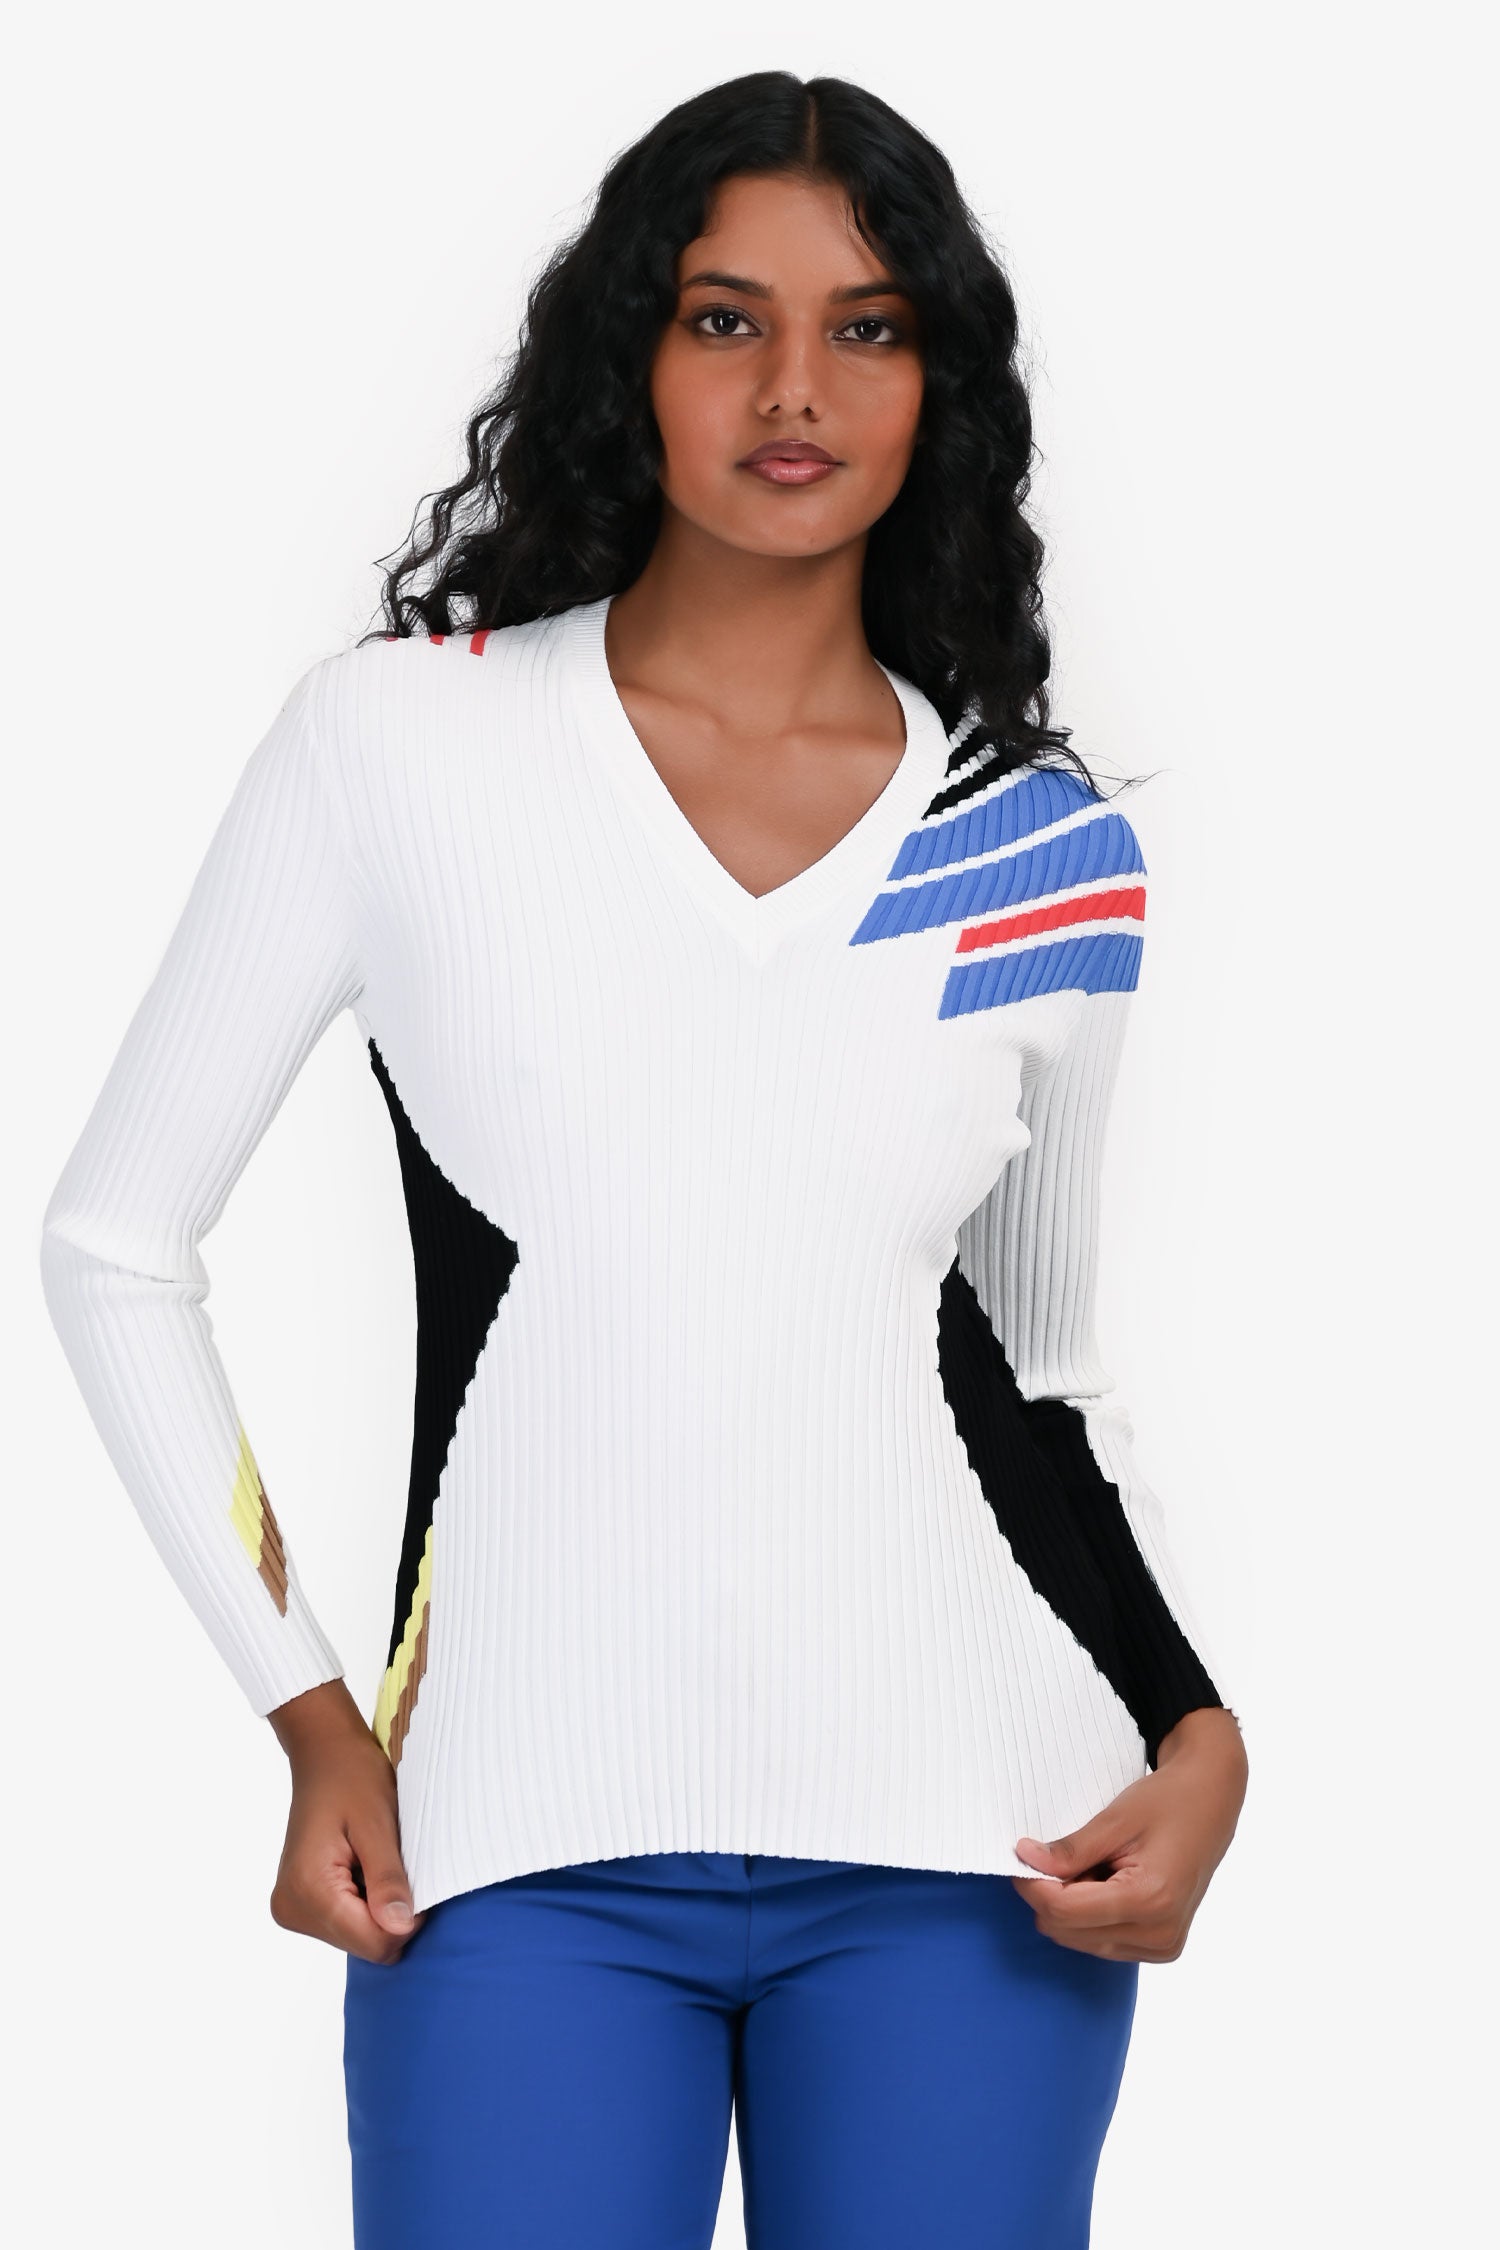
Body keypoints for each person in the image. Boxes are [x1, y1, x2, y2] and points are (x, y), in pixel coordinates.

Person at [39, 68, 1248, 2250]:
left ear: (939, 385)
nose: (796, 389)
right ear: (633, 353)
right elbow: (116, 1245)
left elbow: (1042, 1378)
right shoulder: (405, 744)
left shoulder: (1035, 847)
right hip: (510, 1851)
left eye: (869, 328)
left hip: (980, 1859)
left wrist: (1195, 1728)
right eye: (725, 320)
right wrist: (312, 1715)